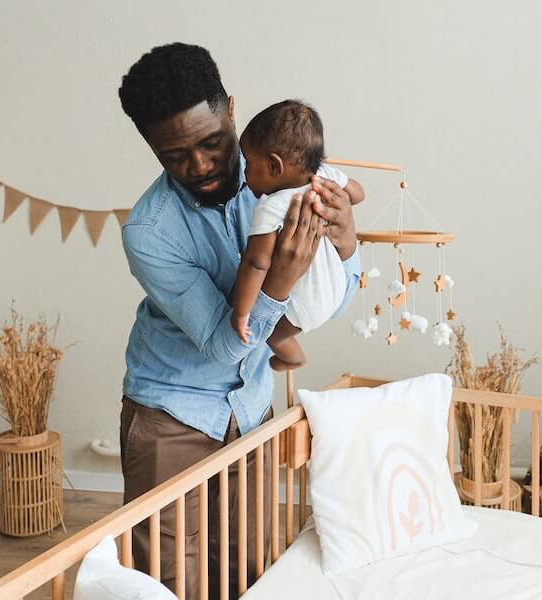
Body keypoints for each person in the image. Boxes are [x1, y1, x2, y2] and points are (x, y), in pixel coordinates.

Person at [117, 42, 362, 599]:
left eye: (211, 143)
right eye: (175, 155)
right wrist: (278, 283)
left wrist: (346, 245)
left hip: (250, 411)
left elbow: (323, 302)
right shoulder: (150, 232)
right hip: (172, 419)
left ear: (231, 110)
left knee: (251, 567)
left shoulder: (283, 180)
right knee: (170, 580)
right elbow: (223, 346)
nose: (200, 166)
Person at [232, 100, 365, 371]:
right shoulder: (324, 176)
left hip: (304, 302)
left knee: (270, 332)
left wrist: (242, 312)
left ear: (274, 166)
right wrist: (344, 198)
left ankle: (293, 357)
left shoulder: (271, 206)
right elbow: (359, 193)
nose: (245, 176)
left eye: (248, 165)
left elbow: (256, 263)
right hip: (338, 286)